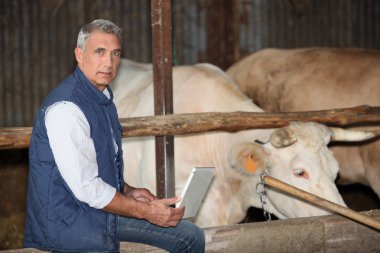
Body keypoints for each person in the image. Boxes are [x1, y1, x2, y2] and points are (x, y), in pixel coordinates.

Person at [24, 19, 205, 253]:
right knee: (189, 237)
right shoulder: (67, 108)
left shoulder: (102, 98)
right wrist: (147, 211)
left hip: (89, 211)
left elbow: (92, 166)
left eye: (115, 53)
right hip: (68, 221)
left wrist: (128, 191)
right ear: (79, 55)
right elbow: (87, 188)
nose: (109, 62)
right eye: (100, 52)